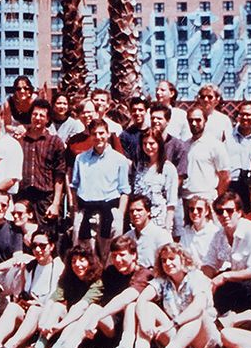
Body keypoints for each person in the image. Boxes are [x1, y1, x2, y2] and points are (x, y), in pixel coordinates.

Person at [104, 242, 219, 348]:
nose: (167, 263)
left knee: (197, 314)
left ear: (183, 259)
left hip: (203, 339)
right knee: (147, 306)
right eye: (164, 260)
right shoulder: (163, 280)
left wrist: (172, 323)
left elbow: (198, 307)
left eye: (171, 258)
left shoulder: (196, 276)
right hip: (177, 336)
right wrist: (144, 322)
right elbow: (142, 298)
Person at [49, 235, 152, 348]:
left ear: (134, 255)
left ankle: (69, 346)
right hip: (108, 324)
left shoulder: (144, 274)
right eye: (114, 256)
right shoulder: (110, 272)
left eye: (122, 255)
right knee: (91, 308)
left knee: (95, 310)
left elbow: (125, 298)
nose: (118, 260)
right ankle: (65, 346)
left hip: (128, 326)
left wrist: (96, 318)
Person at [0, 229, 61, 348]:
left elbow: (57, 299)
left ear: (52, 246)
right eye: (34, 246)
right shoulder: (30, 266)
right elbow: (23, 293)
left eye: (42, 246)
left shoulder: (58, 267)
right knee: (13, 307)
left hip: (47, 314)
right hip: (29, 311)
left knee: (35, 310)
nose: (38, 250)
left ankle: (10, 346)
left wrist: (38, 303)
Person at [29, 243, 104, 348]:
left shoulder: (97, 281)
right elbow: (53, 299)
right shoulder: (68, 277)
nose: (77, 265)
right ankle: (41, 344)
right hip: (73, 317)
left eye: (82, 261)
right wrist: (43, 321)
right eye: (74, 261)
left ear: (90, 262)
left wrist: (60, 325)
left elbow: (82, 306)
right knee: (57, 306)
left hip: (91, 326)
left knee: (80, 315)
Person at [205, 192, 251, 316]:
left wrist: (224, 277)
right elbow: (209, 264)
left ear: (239, 212)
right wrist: (206, 282)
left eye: (229, 210)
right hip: (237, 280)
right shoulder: (219, 235)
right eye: (219, 211)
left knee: (242, 289)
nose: (224, 215)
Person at [69, 119, 130, 247]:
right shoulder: (81, 159)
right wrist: (75, 209)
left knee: (110, 257)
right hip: (85, 212)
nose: (98, 137)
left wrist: (119, 215)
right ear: (90, 136)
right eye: (94, 134)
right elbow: (74, 186)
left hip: (110, 212)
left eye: (101, 133)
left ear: (108, 134)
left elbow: (124, 190)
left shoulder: (120, 159)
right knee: (82, 255)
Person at [15, 98, 66, 224]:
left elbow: (59, 175)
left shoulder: (55, 142)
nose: (37, 118)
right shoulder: (20, 139)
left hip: (45, 198)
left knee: (46, 237)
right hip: (23, 195)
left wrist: (55, 203)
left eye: (41, 115)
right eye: (34, 114)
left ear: (48, 119)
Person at [132, 129, 179, 236]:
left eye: (152, 143)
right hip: (139, 222)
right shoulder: (139, 166)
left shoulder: (168, 168)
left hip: (159, 222)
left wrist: (167, 229)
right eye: (145, 144)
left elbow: (171, 202)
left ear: (159, 144)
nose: (148, 147)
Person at [183, 106, 230, 200]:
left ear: (205, 120)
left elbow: (225, 176)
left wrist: (219, 200)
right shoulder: (184, 145)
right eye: (190, 120)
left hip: (207, 197)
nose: (193, 123)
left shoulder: (215, 145)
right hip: (186, 197)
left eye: (198, 120)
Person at [226, 101, 251, 209]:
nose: (245, 117)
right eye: (242, 114)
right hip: (232, 184)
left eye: (249, 114)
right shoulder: (228, 137)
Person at [122, 194, 169, 270]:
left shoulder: (161, 235)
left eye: (139, 210)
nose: (135, 214)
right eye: (131, 211)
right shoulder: (127, 237)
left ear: (148, 212)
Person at [176, 195, 220, 269]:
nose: (195, 212)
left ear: (206, 211)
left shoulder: (215, 232)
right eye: (192, 209)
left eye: (199, 209)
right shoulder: (186, 231)